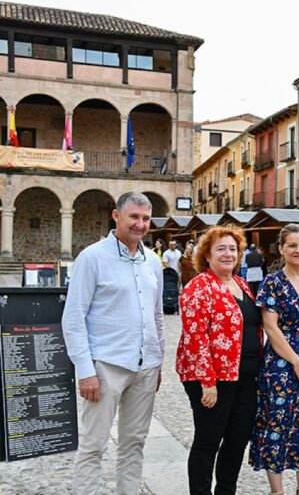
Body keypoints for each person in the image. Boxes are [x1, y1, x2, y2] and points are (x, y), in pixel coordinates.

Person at [62, 191, 164, 495]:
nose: (140, 224)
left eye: (146, 219)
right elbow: (74, 317)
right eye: (134, 216)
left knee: (134, 444)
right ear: (116, 216)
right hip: (106, 366)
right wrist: (85, 369)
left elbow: (157, 315)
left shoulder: (153, 262)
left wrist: (158, 359)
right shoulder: (92, 257)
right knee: (93, 446)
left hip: (146, 367)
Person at [176, 225, 263, 495]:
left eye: (233, 249)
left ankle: (226, 491)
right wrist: (207, 382)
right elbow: (195, 337)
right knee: (208, 441)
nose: (228, 254)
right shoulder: (199, 287)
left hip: (245, 377)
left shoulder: (240, 284)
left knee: (237, 440)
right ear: (207, 254)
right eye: (221, 249)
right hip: (213, 379)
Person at [250, 223, 299, 495]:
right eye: (292, 245)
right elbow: (271, 328)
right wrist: (296, 361)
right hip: (281, 366)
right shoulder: (272, 283)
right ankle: (277, 491)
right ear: (282, 249)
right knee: (277, 424)